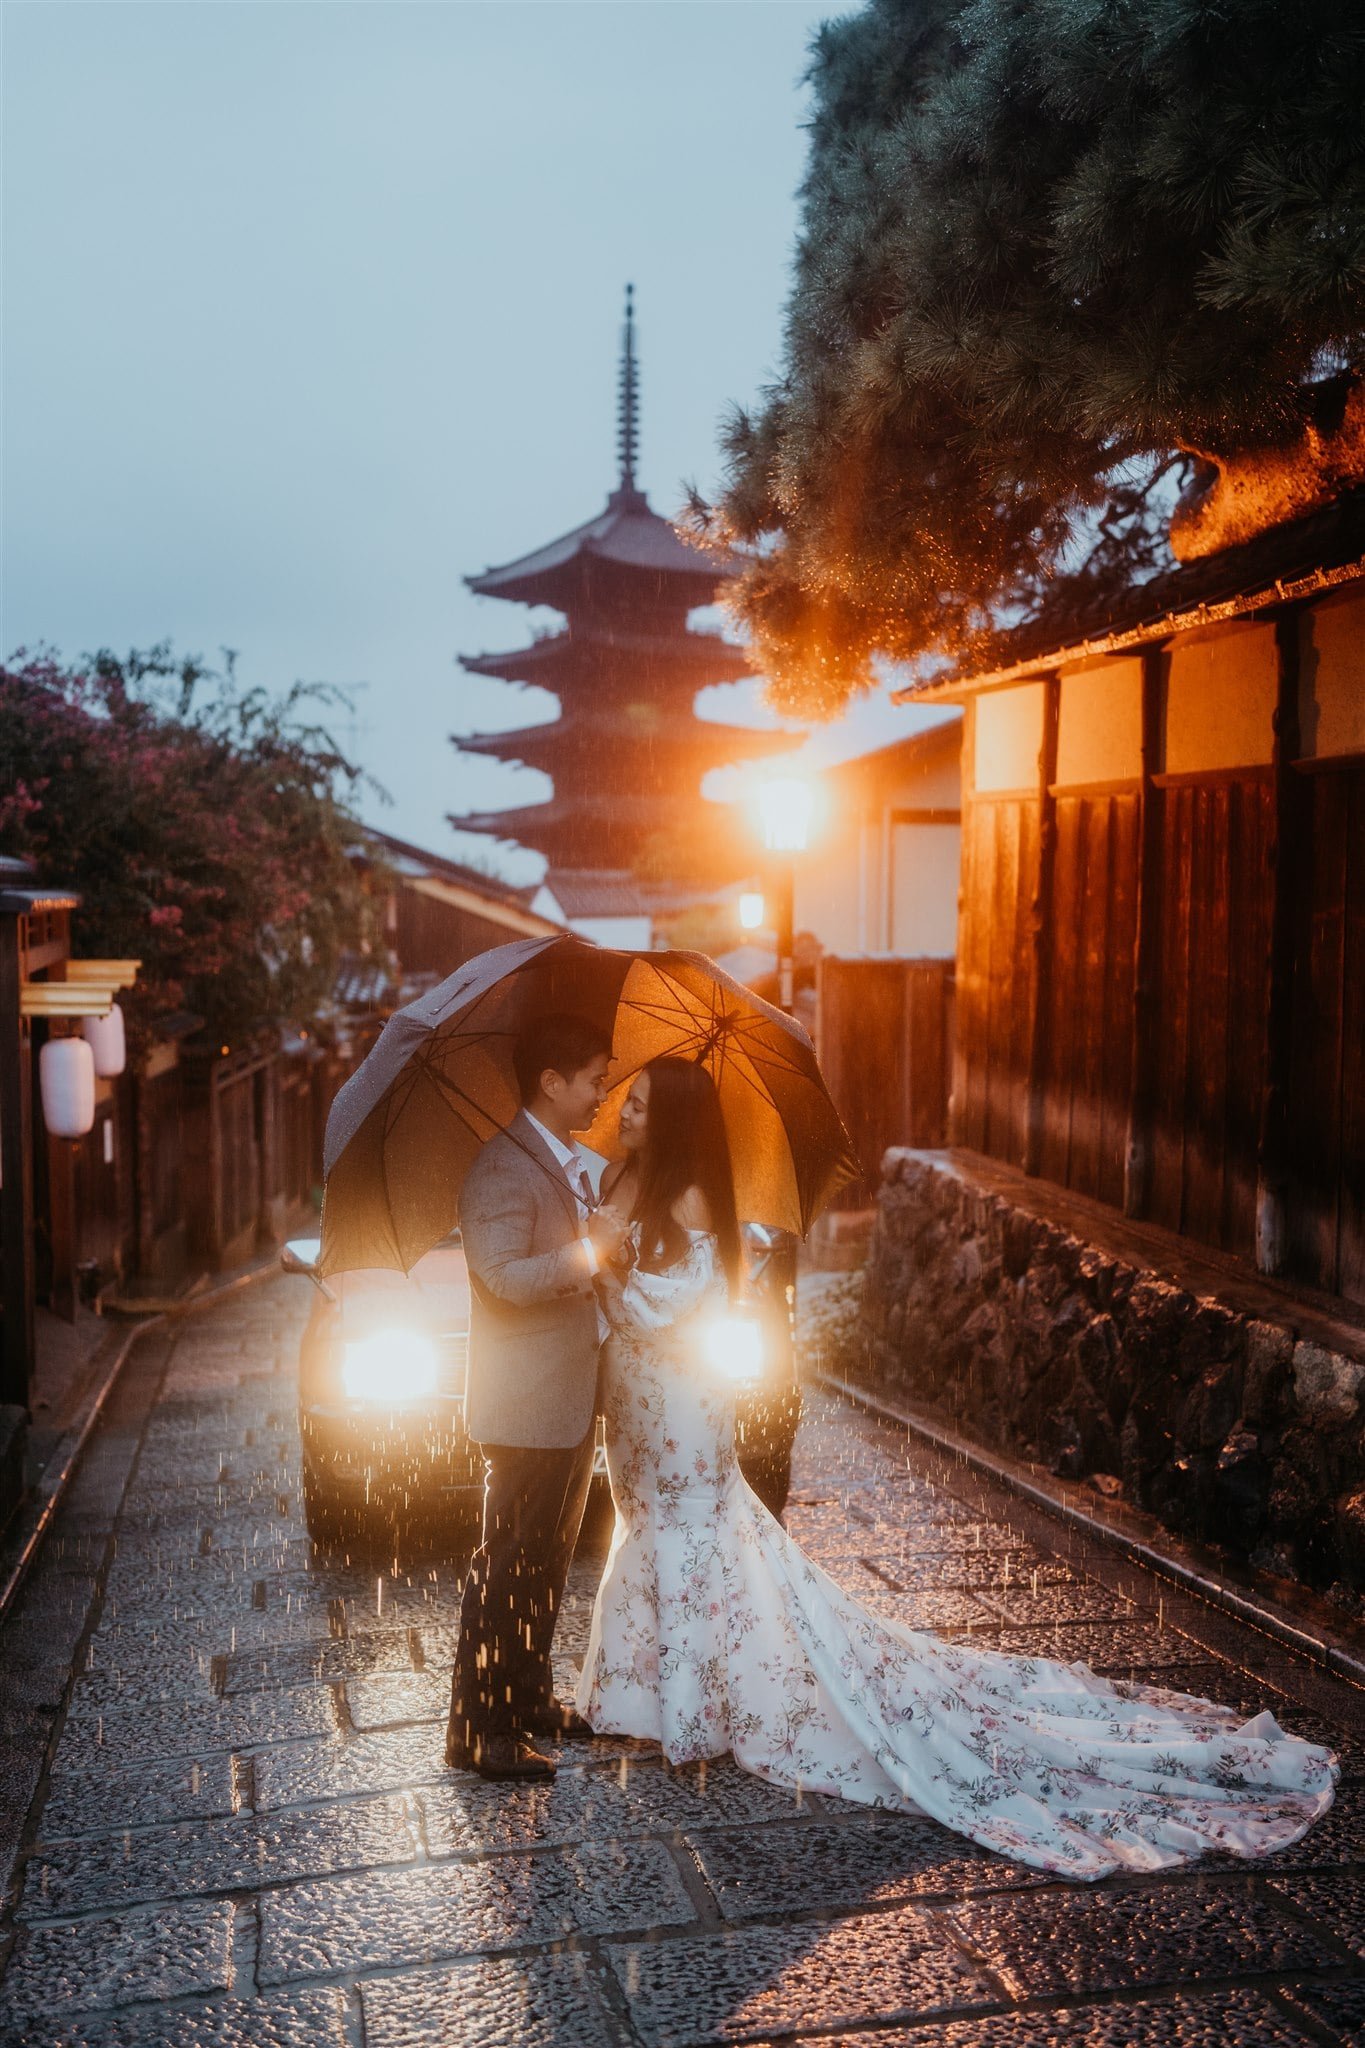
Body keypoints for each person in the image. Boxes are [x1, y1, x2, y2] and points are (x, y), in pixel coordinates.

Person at [576, 1056, 1339, 1880]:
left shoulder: (691, 1197)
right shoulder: (622, 1178)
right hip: (633, 1398)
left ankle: (691, 1707)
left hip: (683, 1399)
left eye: (644, 1105)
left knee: (693, 1530)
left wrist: (604, 1262)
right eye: (627, 1100)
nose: (625, 1115)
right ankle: (639, 1691)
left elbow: (671, 1305)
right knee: (643, 1520)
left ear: (679, 1120)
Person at [446, 1013, 627, 1781]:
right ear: (551, 1082)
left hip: (562, 1397)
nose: (602, 1094)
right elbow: (503, 1277)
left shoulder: (563, 1162)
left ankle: (525, 1699)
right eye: (594, 1079)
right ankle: (477, 1731)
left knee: (546, 1562)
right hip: (523, 1407)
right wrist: (590, 1252)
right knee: (507, 1567)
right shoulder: (502, 1168)